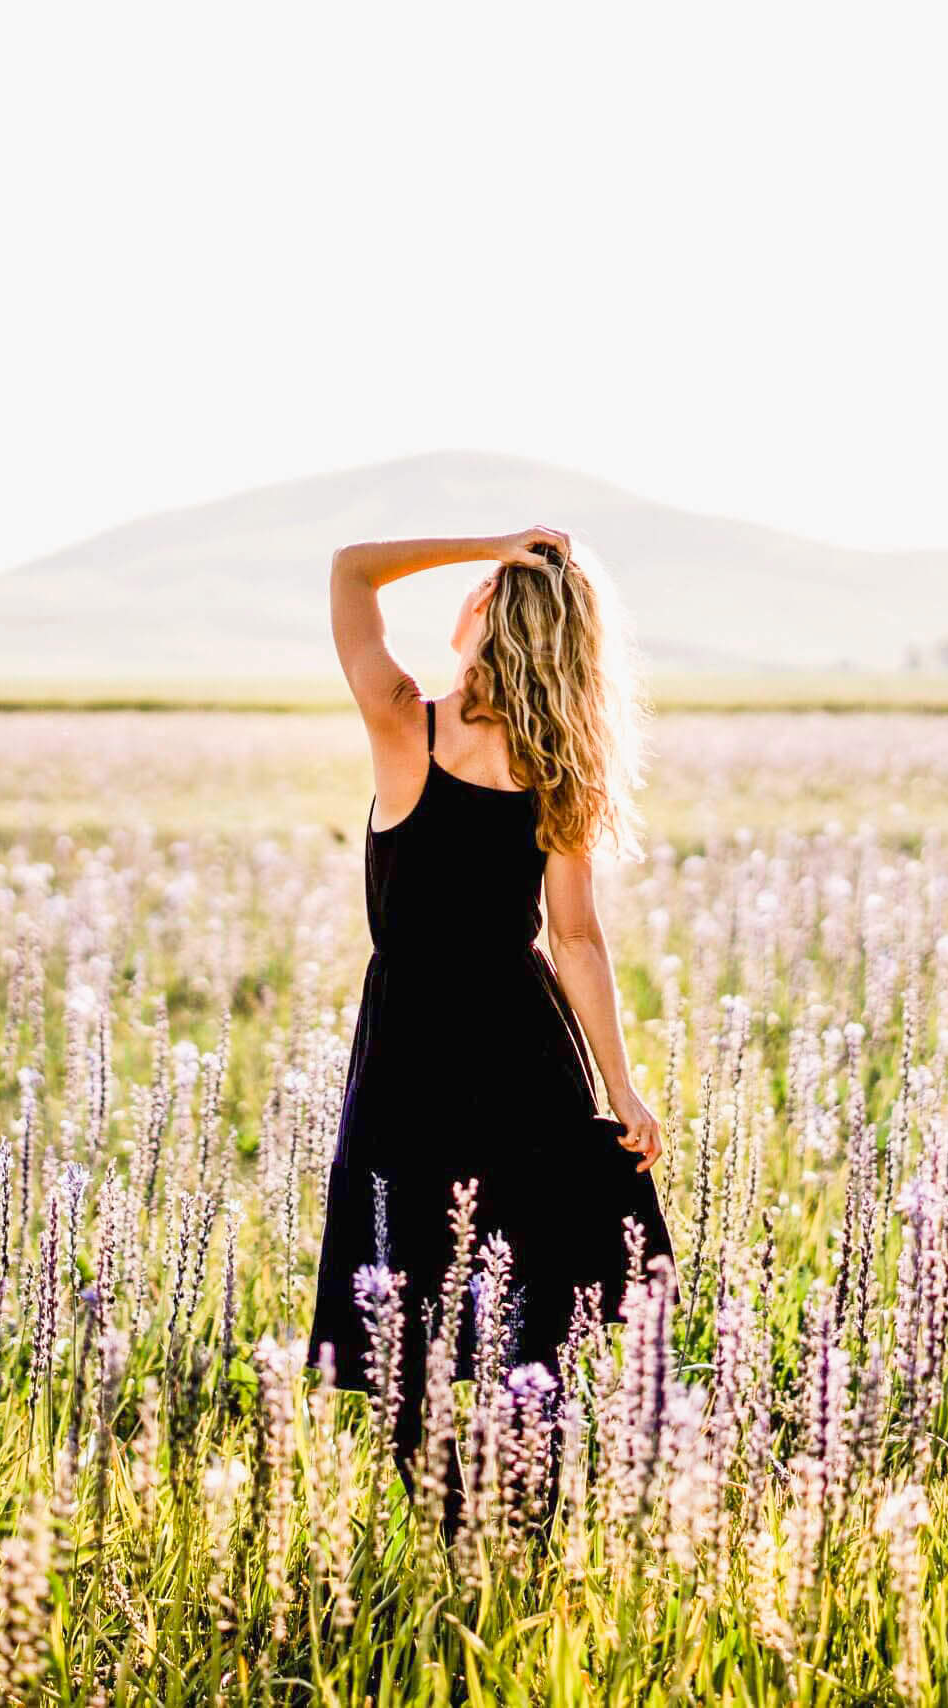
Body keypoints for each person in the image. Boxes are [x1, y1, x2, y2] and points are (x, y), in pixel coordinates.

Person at [305, 525, 674, 1469]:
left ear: (485, 614)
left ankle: (448, 1530)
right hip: (525, 1054)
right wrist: (620, 1090)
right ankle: (527, 1541)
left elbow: (353, 569)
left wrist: (493, 543)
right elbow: (577, 939)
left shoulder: (403, 722)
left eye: (480, 588)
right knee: (533, 1325)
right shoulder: (559, 766)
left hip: (410, 1058)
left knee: (405, 1318)